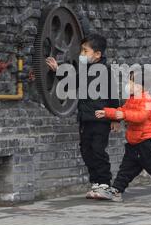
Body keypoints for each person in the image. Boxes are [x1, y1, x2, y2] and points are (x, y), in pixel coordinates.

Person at [46, 33, 120, 199]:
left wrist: (115, 117)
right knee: (86, 150)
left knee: (98, 150)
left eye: (85, 51)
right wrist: (58, 70)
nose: (81, 54)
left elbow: (113, 95)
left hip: (101, 119)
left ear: (97, 54)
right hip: (85, 119)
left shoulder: (104, 71)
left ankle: (105, 183)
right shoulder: (84, 70)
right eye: (81, 51)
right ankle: (96, 182)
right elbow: (72, 82)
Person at [93, 71, 151, 204]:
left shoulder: (146, 99)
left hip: (147, 142)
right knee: (126, 169)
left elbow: (140, 116)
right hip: (133, 142)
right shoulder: (131, 99)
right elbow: (122, 110)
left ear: (142, 86)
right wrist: (107, 112)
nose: (128, 85)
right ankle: (116, 191)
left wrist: (124, 116)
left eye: (131, 82)